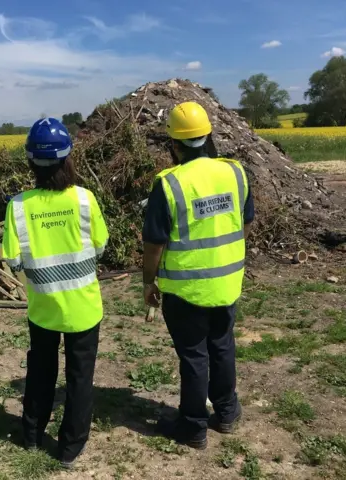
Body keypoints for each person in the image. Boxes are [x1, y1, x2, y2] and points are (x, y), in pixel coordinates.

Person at [141, 101, 254, 450]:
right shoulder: (235, 173)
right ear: (208, 136)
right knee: (221, 346)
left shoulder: (169, 184)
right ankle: (227, 412)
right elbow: (246, 222)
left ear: (174, 145)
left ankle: (193, 427)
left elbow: (154, 243)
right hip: (227, 281)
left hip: (185, 288)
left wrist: (148, 281)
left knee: (193, 355)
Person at [1, 117, 109, 468]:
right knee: (80, 377)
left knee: (42, 370)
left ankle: (32, 435)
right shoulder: (84, 199)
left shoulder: (18, 206)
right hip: (83, 308)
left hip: (43, 309)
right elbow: (100, 245)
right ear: (68, 159)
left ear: (31, 162)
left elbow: (13, 260)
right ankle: (70, 448)